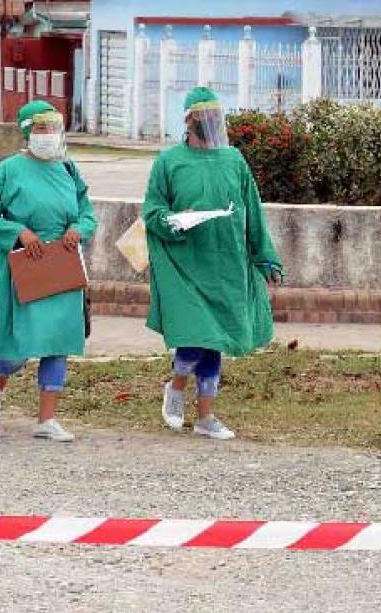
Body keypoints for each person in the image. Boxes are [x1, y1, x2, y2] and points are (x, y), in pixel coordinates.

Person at [142, 86, 283, 440]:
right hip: (185, 266)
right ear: (187, 121)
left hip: (228, 266)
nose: (210, 123)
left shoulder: (234, 161)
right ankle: (176, 387)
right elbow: (153, 210)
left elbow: (252, 211)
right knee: (195, 334)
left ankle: (206, 417)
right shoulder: (169, 162)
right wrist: (173, 219)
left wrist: (265, 257)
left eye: (215, 117)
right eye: (202, 117)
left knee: (215, 338)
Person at [0, 100, 97, 442]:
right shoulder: (9, 170)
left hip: (62, 263)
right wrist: (19, 232)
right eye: (40, 129)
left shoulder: (69, 169)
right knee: (18, 349)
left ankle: (47, 419)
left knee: (58, 341)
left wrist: (78, 229)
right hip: (24, 267)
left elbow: (86, 211)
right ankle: (0, 378)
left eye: (53, 127)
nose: (48, 135)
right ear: (27, 132)